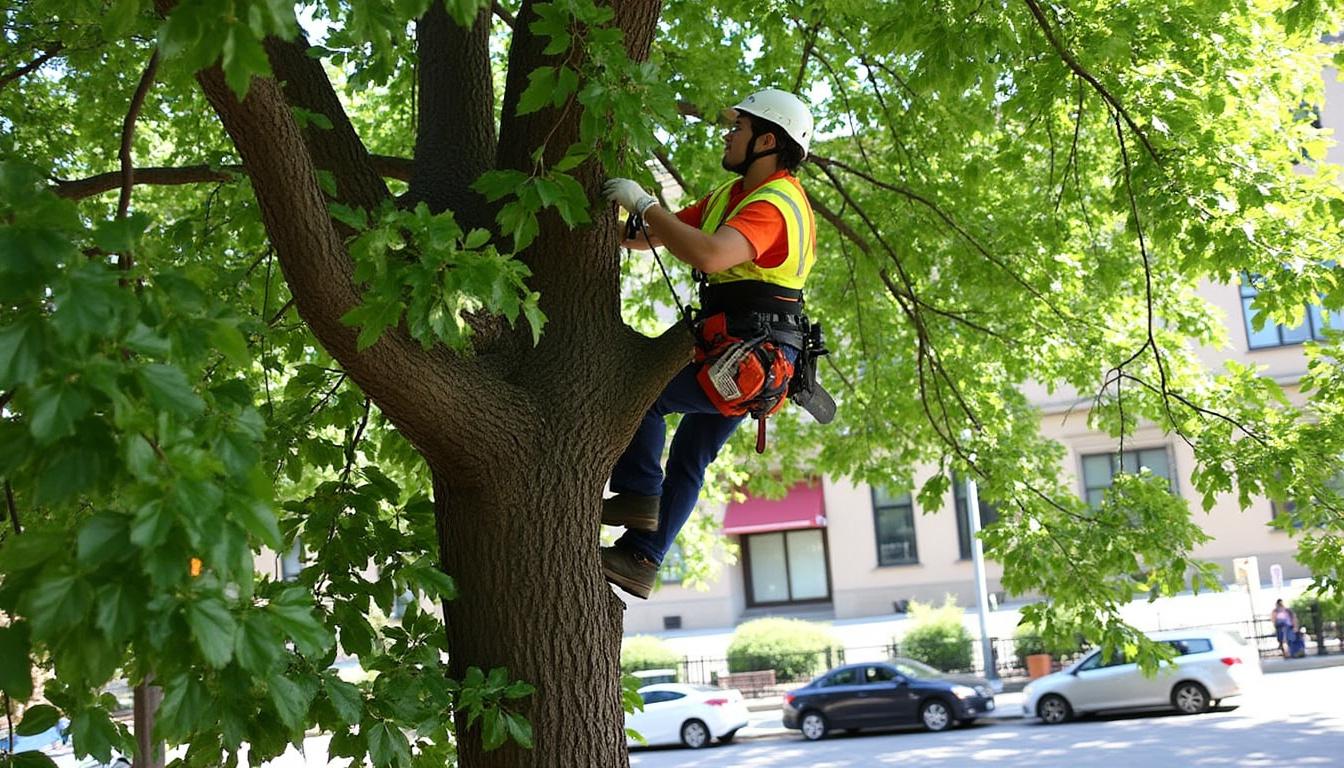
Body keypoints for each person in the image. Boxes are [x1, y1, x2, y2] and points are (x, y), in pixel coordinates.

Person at [598, 88, 817, 599]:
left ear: (766, 140)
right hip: (739, 356)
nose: (727, 133)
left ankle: (639, 496)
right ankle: (641, 559)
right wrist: (622, 225)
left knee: (643, 392)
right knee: (692, 453)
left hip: (751, 358)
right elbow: (668, 234)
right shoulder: (730, 196)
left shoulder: (776, 203)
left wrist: (647, 204)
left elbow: (711, 256)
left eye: (737, 128)